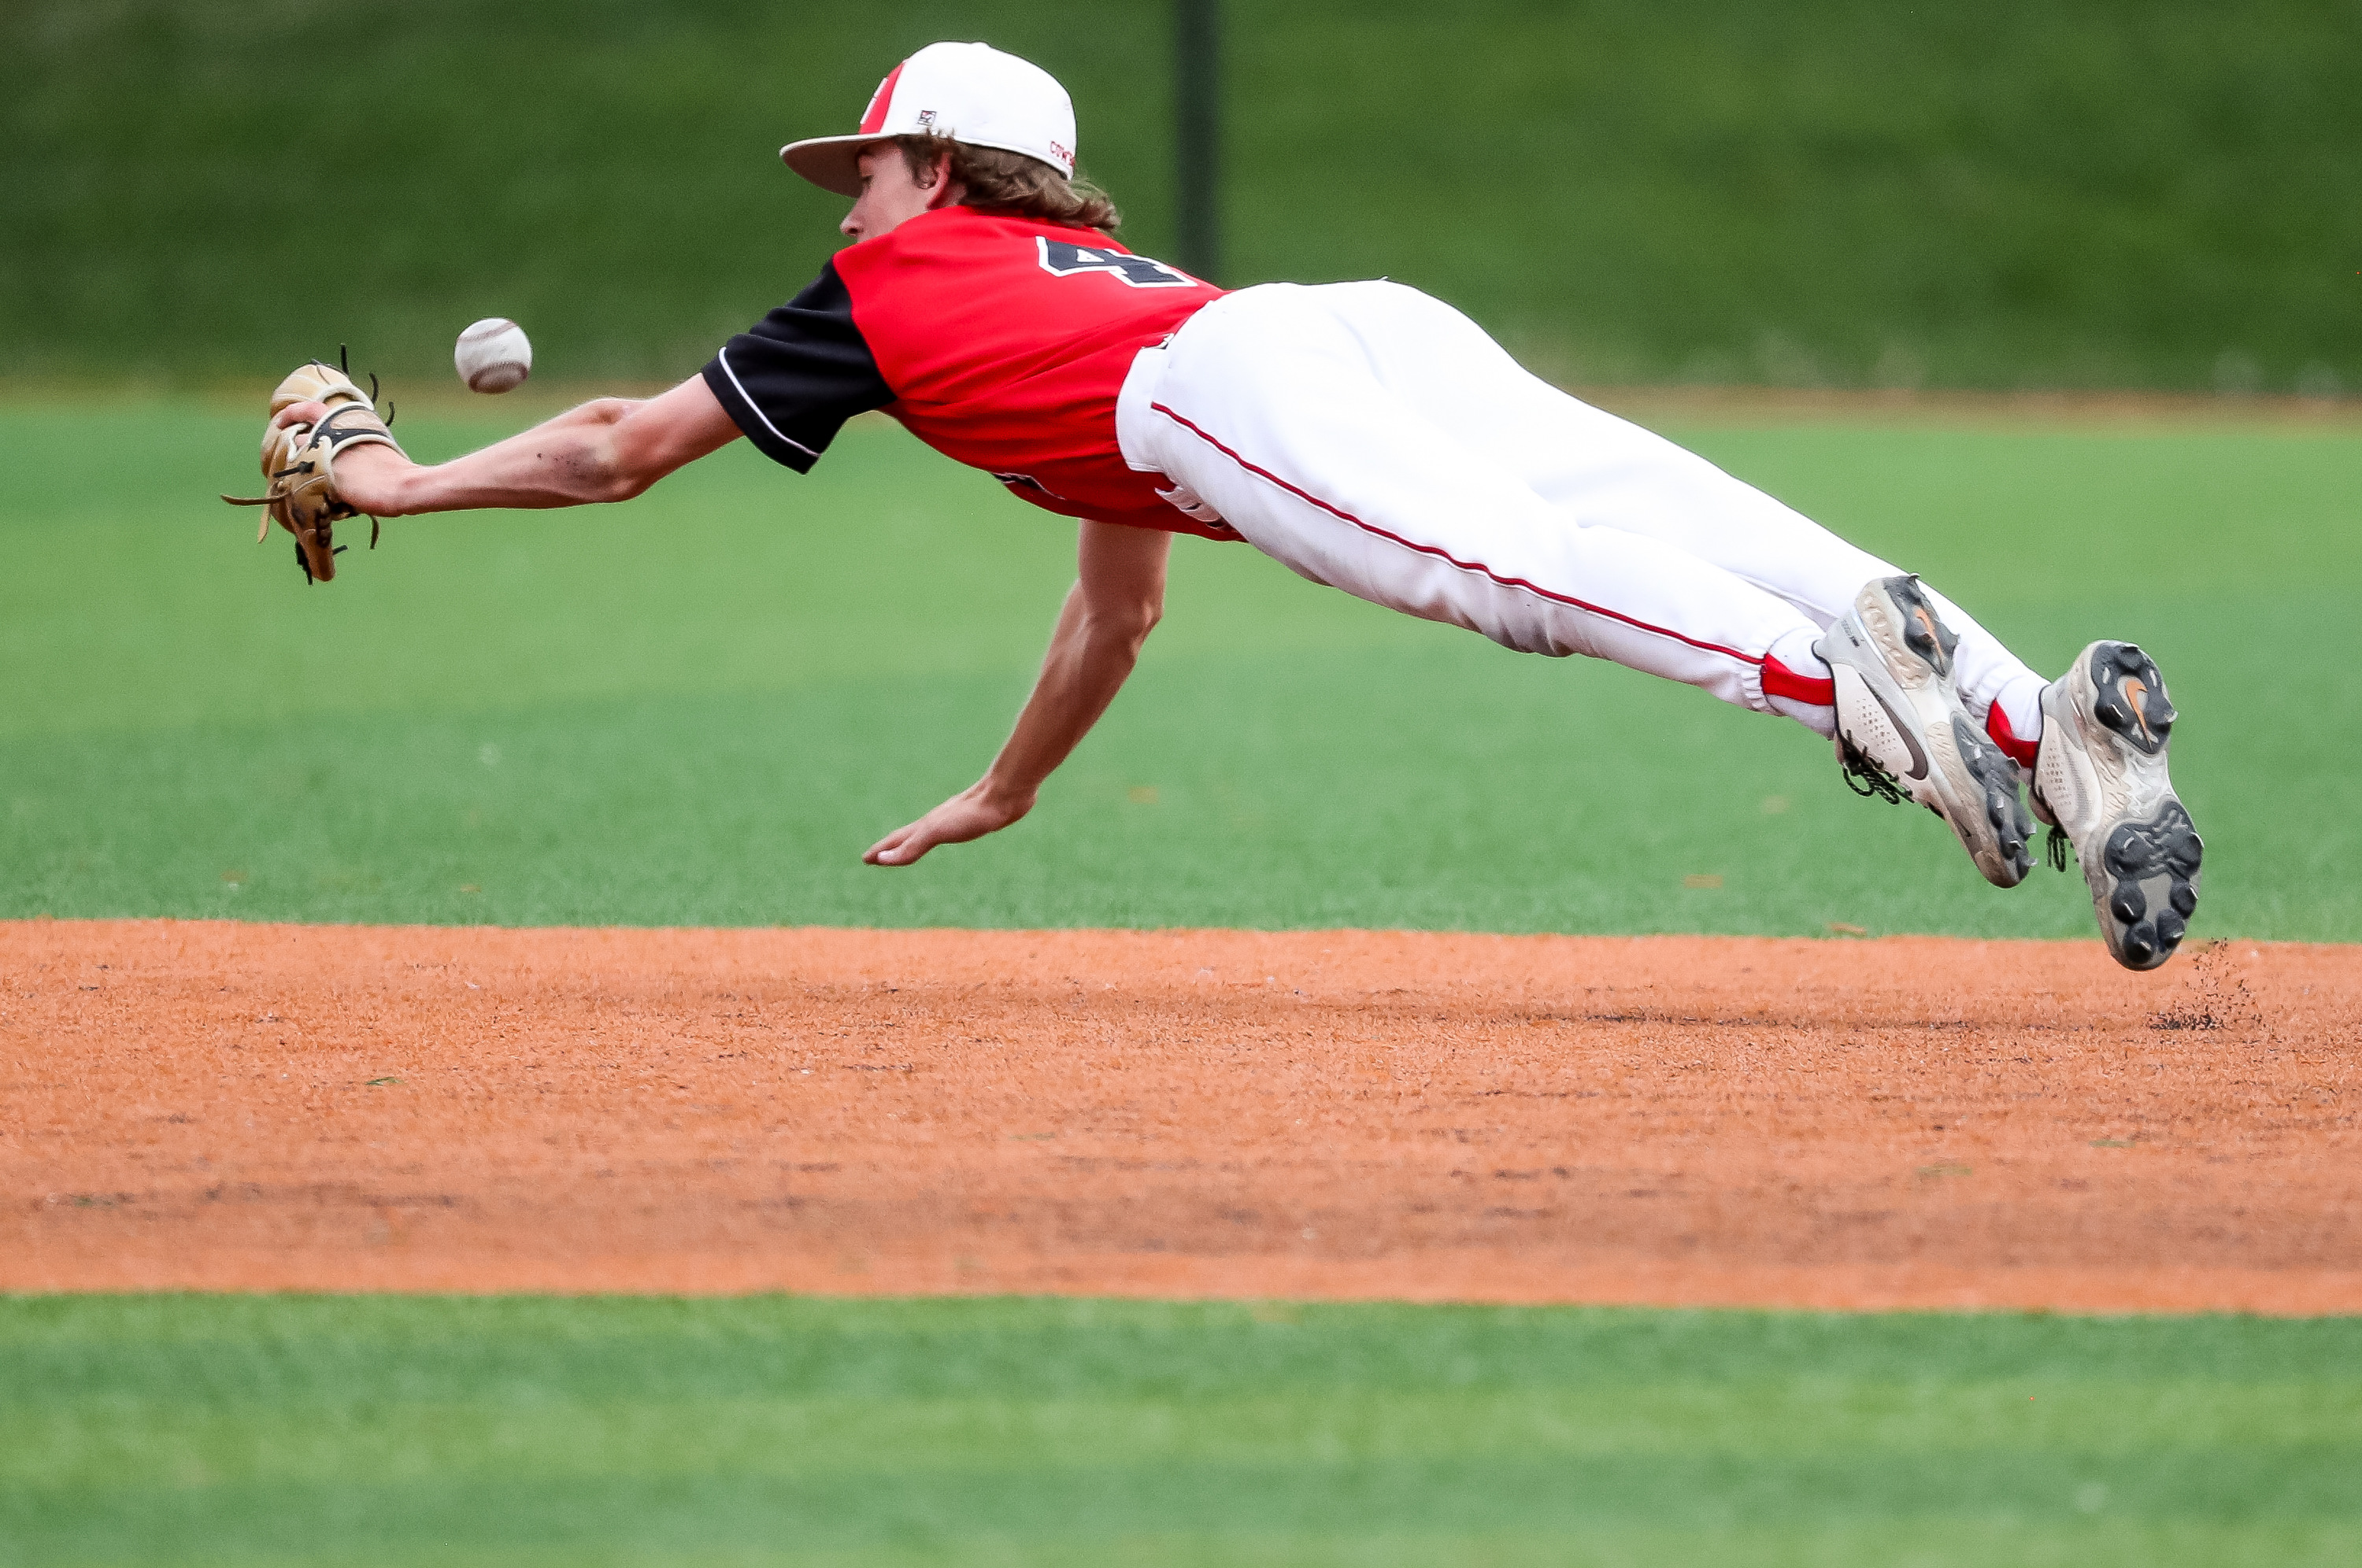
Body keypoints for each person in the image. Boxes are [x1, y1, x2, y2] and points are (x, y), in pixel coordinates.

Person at [276, 41, 2201, 971]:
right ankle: (2050, 727)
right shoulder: (1084, 301)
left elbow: (616, 445)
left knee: (1509, 574)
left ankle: (1846, 690)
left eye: (863, 165)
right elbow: (1118, 608)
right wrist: (1012, 782)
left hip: (1233, 382)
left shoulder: (887, 290)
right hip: (1334, 328)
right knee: (1663, 491)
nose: (841, 197)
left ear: (946, 166)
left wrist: (394, 477)